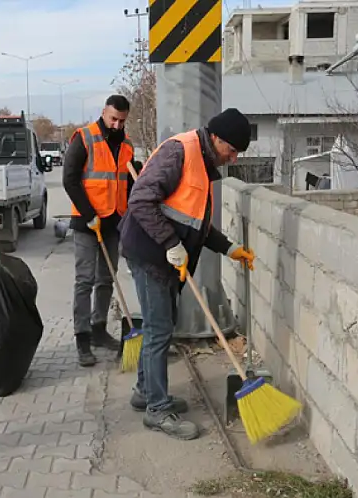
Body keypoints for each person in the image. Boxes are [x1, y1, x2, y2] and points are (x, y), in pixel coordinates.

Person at [119, 108, 257, 440]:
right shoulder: (180, 152)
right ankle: (157, 409)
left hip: (167, 257)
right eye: (233, 150)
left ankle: (145, 392)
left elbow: (194, 221)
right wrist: (170, 243)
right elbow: (140, 201)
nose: (234, 158)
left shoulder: (203, 161)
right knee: (158, 330)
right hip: (150, 253)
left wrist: (229, 248)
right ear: (218, 139)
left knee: (161, 327)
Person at [62, 95, 135, 367]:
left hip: (114, 221)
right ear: (104, 112)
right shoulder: (84, 137)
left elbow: (125, 181)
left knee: (107, 278)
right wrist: (89, 214)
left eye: (122, 120)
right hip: (87, 221)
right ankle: (82, 338)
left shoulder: (126, 145)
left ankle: (99, 329)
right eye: (113, 118)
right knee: (84, 280)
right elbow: (69, 180)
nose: (116, 125)